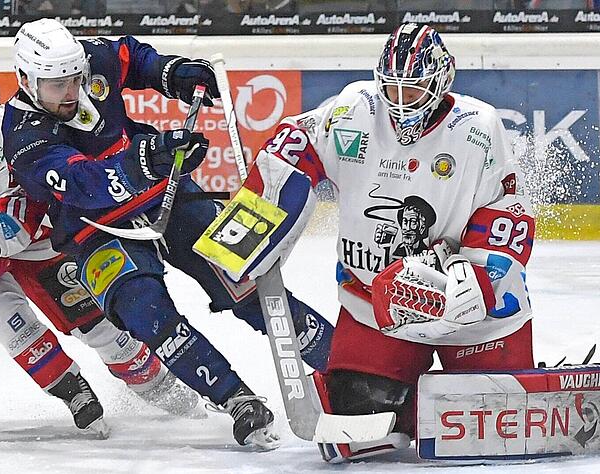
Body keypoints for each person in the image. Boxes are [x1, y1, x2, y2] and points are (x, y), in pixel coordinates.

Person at [0, 18, 334, 449]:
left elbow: (132, 58)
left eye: (74, 79)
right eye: (55, 85)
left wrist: (173, 73)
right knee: (147, 313)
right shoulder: (22, 135)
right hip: (95, 230)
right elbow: (82, 182)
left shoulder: (91, 58)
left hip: (165, 194)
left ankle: (347, 365)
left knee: (245, 279)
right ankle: (236, 400)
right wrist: (146, 160)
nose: (70, 92)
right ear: (27, 80)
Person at [214, 23, 535, 461]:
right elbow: (296, 142)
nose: (401, 104)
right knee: (352, 416)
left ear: (440, 83)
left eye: (414, 90)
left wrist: (483, 275)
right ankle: (414, 407)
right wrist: (252, 216)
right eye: (392, 89)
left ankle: (463, 396)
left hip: (472, 310)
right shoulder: (355, 109)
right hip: (375, 306)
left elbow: (508, 209)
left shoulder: (477, 128)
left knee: (499, 417)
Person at [0, 45, 202, 438]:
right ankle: (74, 393)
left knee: (102, 329)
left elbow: (28, 209)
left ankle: (172, 395)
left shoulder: (15, 133)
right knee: (4, 318)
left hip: (32, 243)